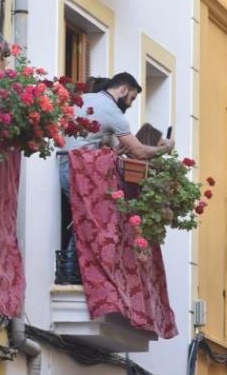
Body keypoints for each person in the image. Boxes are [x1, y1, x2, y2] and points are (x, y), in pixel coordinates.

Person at [58, 72, 174, 249]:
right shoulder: (113, 112)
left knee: (81, 218)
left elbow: (86, 138)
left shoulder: (86, 97)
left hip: (64, 163)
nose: (131, 103)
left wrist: (114, 151)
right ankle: (73, 271)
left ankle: (71, 269)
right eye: (132, 98)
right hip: (80, 170)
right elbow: (139, 152)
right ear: (123, 90)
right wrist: (165, 148)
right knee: (91, 222)